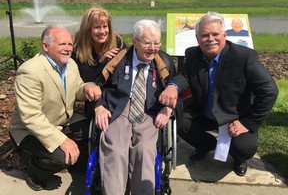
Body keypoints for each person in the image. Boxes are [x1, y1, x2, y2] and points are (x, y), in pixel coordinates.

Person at [159, 12, 278, 177]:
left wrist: (247, 122)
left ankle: (239, 159)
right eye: (204, 35)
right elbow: (185, 76)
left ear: (224, 35)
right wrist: (173, 85)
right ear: (197, 37)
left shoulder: (244, 56)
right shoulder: (193, 54)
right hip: (205, 113)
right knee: (178, 120)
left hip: (234, 116)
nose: (210, 39)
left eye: (215, 34)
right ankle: (206, 145)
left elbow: (269, 91)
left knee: (243, 147)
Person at [9, 25, 102, 191]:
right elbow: (31, 117)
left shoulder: (70, 64)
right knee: (61, 159)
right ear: (46, 46)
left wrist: (87, 87)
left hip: (60, 121)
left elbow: (77, 88)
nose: (67, 49)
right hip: (30, 131)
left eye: (69, 44)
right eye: (62, 44)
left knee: (94, 131)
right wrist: (62, 140)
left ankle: (75, 160)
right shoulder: (30, 72)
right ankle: (33, 168)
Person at [94, 19, 175, 194]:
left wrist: (168, 109)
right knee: (115, 149)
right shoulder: (118, 58)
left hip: (150, 111)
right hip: (118, 108)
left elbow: (175, 91)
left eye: (156, 42)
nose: (153, 48)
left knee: (145, 150)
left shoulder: (164, 63)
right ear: (135, 41)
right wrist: (99, 106)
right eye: (147, 42)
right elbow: (96, 86)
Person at [72, 5, 127, 120]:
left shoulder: (118, 42)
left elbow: (122, 73)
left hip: (112, 91)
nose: (102, 31)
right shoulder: (77, 47)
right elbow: (86, 81)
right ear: (87, 29)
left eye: (105, 26)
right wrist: (102, 62)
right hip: (90, 94)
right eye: (97, 27)